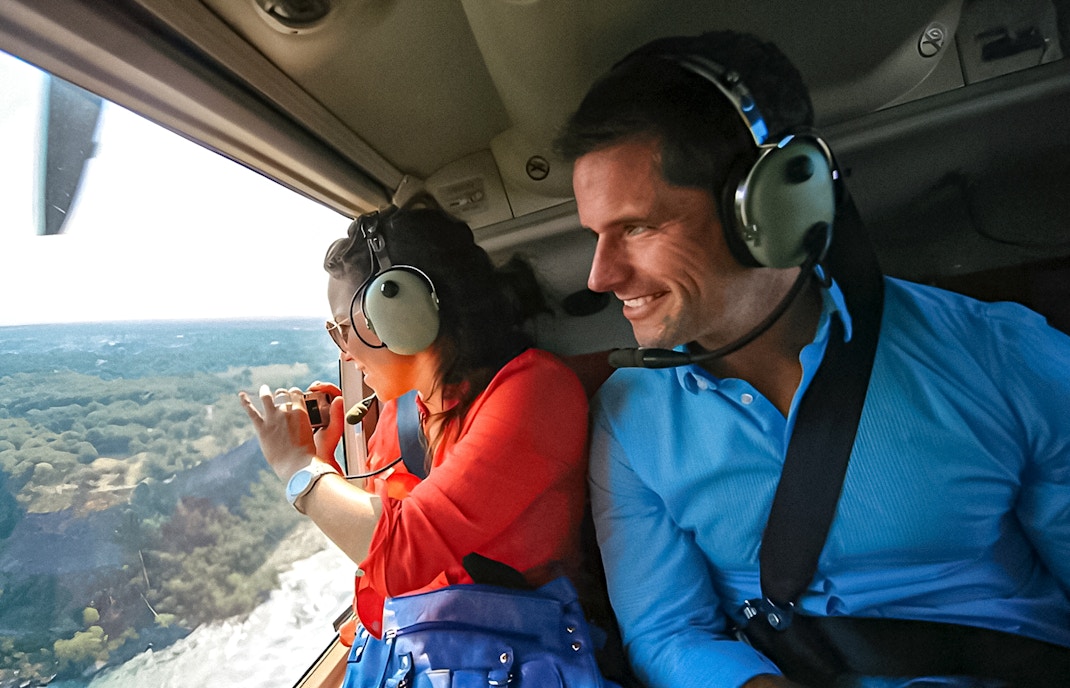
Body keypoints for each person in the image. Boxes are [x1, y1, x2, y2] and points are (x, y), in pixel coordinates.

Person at [555, 30, 1070, 688]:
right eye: (594, 235)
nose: (601, 276)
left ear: (773, 203)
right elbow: (667, 630)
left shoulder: (1007, 359)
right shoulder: (628, 417)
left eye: (637, 227)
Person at [237, 204, 591, 657]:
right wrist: (322, 462)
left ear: (401, 308)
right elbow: (383, 533)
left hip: (507, 659)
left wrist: (297, 466)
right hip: (429, 649)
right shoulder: (407, 408)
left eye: (344, 329)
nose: (345, 353)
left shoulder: (534, 392)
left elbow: (400, 554)